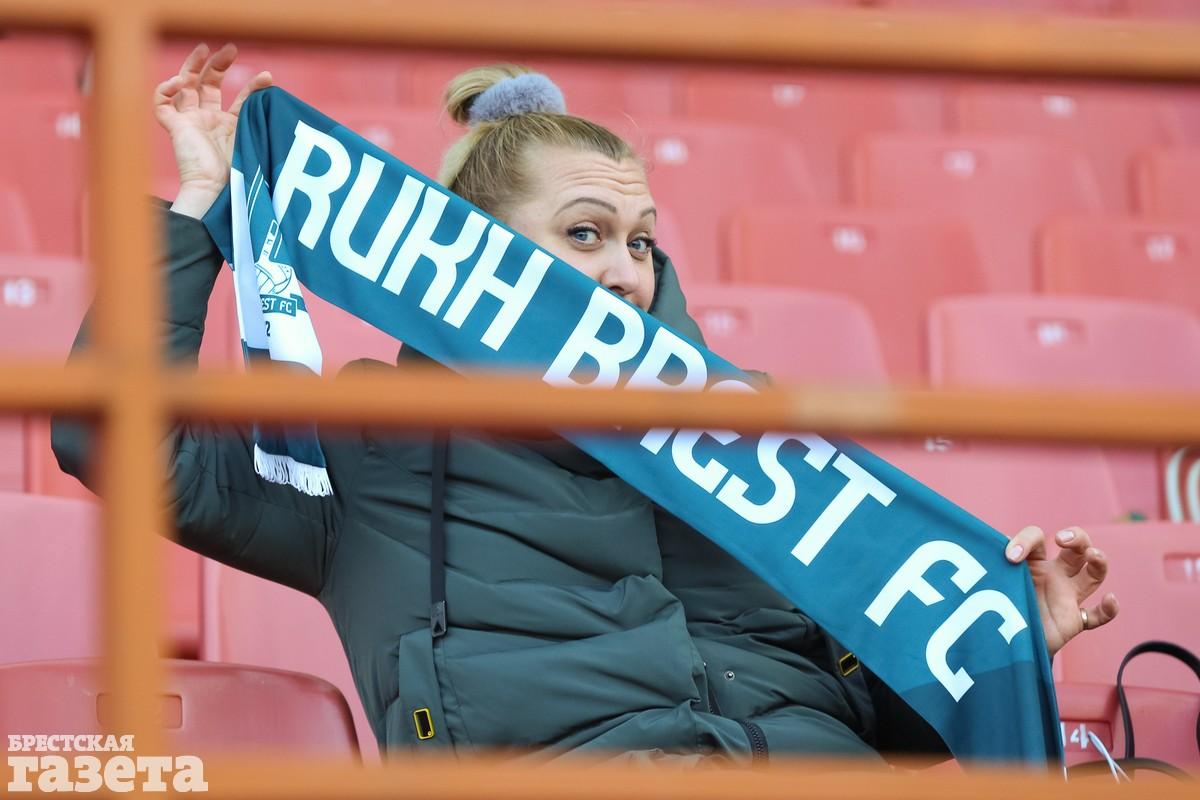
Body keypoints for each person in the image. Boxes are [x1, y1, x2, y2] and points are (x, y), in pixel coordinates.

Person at [53, 42, 1119, 766]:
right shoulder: (376, 450)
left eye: (642, 242)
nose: (626, 272)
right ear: (472, 256)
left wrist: (1007, 647)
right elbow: (113, 437)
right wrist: (202, 207)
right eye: (584, 234)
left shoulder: (749, 441)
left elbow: (880, 729)